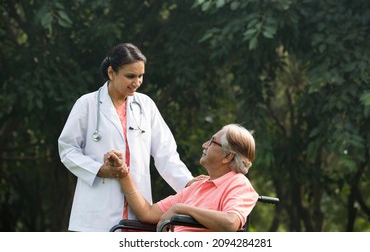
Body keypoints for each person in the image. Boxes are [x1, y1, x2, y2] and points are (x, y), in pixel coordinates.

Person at [58, 42, 198, 232]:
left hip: (138, 210)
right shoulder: (87, 104)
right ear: (111, 72)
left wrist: (189, 184)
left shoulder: (145, 105)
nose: (137, 82)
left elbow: (166, 154)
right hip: (96, 213)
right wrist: (99, 170)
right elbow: (67, 149)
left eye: (141, 76)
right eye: (130, 76)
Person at [106, 124, 259, 232]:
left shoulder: (238, 184)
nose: (204, 145)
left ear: (227, 156)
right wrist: (123, 173)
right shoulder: (198, 186)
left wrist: (182, 208)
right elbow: (147, 213)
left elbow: (231, 223)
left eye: (212, 142)